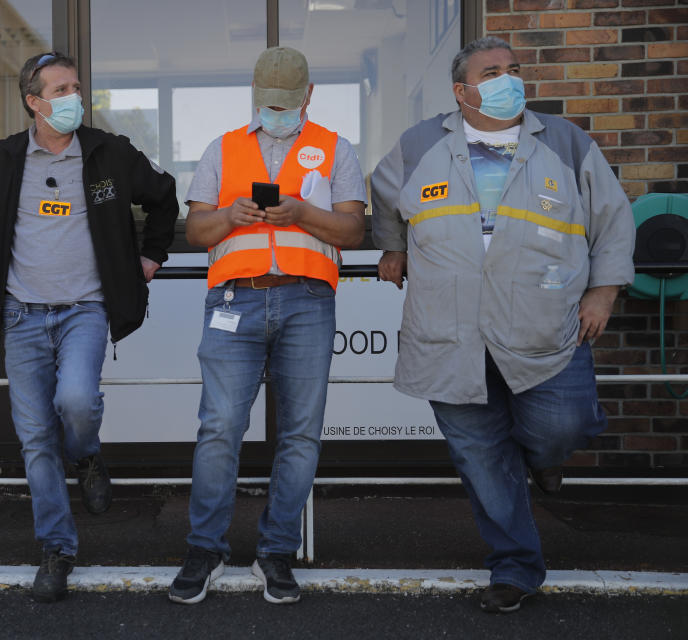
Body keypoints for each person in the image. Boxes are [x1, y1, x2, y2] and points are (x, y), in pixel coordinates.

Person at [371, 36, 635, 613]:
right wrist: (392, 248)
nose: (507, 78)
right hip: (451, 335)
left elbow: (612, 218)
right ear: (461, 90)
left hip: (547, 326)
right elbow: (384, 195)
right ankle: (514, 569)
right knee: (483, 462)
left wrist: (604, 292)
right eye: (491, 71)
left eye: (514, 68)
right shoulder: (420, 144)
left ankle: (542, 461)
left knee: (562, 426)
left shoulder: (565, 142)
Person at [0, 52, 178, 604]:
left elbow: (163, 197)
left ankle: (86, 455)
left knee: (78, 402)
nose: (73, 98)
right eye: (59, 90)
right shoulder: (7, 156)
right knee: (36, 439)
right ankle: (56, 549)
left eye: (76, 87)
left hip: (85, 309)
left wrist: (152, 256)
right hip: (22, 314)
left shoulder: (109, 152)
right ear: (33, 102)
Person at [169, 46, 366, 606]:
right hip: (236, 299)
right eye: (267, 103)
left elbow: (352, 232)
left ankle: (276, 552)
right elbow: (197, 230)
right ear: (255, 96)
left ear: (308, 95)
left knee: (300, 433)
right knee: (220, 428)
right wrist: (229, 215)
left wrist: (304, 214)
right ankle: (204, 549)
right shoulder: (223, 147)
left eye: (286, 103)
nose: (276, 112)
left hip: (307, 300)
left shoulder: (335, 148)